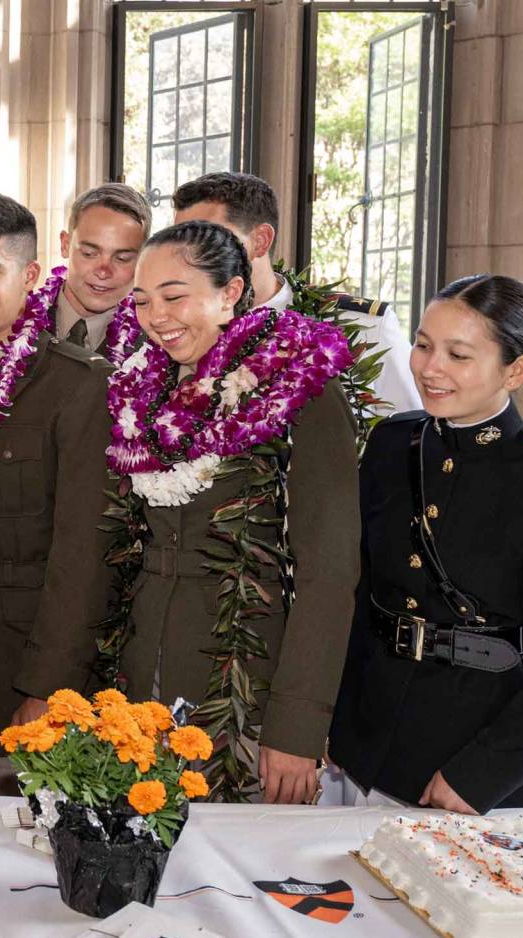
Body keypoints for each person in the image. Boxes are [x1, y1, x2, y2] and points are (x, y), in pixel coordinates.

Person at [328, 275, 523, 812]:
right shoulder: (393, 445)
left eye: (458, 354)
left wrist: (482, 773)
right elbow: (358, 595)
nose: (429, 368)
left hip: (474, 768)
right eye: (422, 344)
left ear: (517, 370)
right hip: (364, 748)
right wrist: (332, 725)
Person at [105, 221, 360, 804]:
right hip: (142, 677)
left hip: (247, 683)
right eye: (142, 301)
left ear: (229, 292)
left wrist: (297, 727)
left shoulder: (298, 386)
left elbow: (329, 571)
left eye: (174, 296)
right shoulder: (140, 392)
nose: (156, 317)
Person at [0, 194, 115, 795]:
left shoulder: (77, 384)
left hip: (22, 673)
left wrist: (48, 688)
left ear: (30, 276)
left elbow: (82, 555)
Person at [171, 171, 422, 415]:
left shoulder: (364, 327)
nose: (188, 259)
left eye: (208, 242)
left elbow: (409, 435)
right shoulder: (172, 332)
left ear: (260, 241)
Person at [54, 184, 150, 349]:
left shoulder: (157, 344)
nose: (103, 271)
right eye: (89, 253)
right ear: (65, 244)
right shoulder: (14, 325)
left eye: (122, 258)